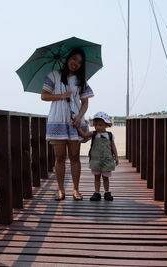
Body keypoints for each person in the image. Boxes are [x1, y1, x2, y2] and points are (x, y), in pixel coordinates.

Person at [41, 48, 94, 201]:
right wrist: (61, 95)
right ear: (67, 58)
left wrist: (79, 117)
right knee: (59, 157)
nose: (75, 63)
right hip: (57, 119)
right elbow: (44, 96)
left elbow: (85, 103)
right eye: (74, 59)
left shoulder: (80, 80)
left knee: (75, 157)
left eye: (79, 62)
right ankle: (61, 190)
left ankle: (76, 190)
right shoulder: (54, 75)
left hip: (74, 121)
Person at [76, 112, 119, 201]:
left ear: (106, 125)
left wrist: (116, 156)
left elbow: (113, 146)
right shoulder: (93, 134)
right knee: (96, 177)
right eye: (95, 125)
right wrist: (78, 128)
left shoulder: (109, 135)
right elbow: (84, 135)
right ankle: (97, 192)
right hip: (96, 160)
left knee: (106, 178)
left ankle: (107, 192)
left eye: (100, 125)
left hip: (107, 160)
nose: (97, 127)